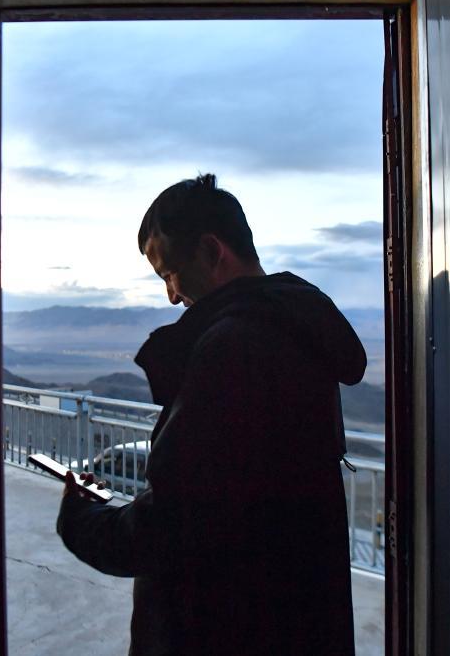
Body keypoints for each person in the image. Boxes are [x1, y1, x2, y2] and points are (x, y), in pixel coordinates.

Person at [57, 173, 367, 655]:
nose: (171, 296)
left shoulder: (233, 351)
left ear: (211, 251)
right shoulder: (297, 329)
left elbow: (170, 528)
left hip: (223, 628)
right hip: (296, 619)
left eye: (169, 273)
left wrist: (81, 518)